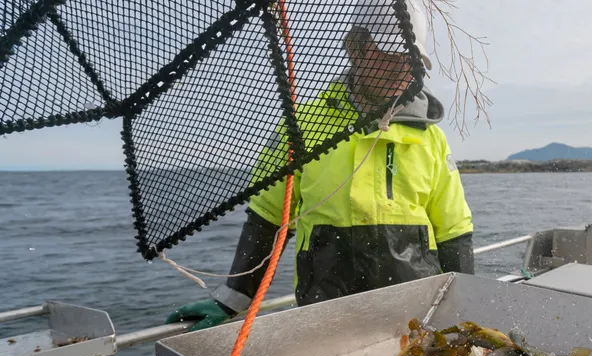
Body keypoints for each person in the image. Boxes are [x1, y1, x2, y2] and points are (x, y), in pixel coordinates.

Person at [167, 0, 474, 330]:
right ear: (354, 48)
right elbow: (268, 217)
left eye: (411, 58)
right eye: (390, 54)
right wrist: (233, 298)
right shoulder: (300, 127)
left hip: (416, 313)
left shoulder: (431, 138)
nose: (403, 68)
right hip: (324, 311)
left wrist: (465, 307)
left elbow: (453, 228)